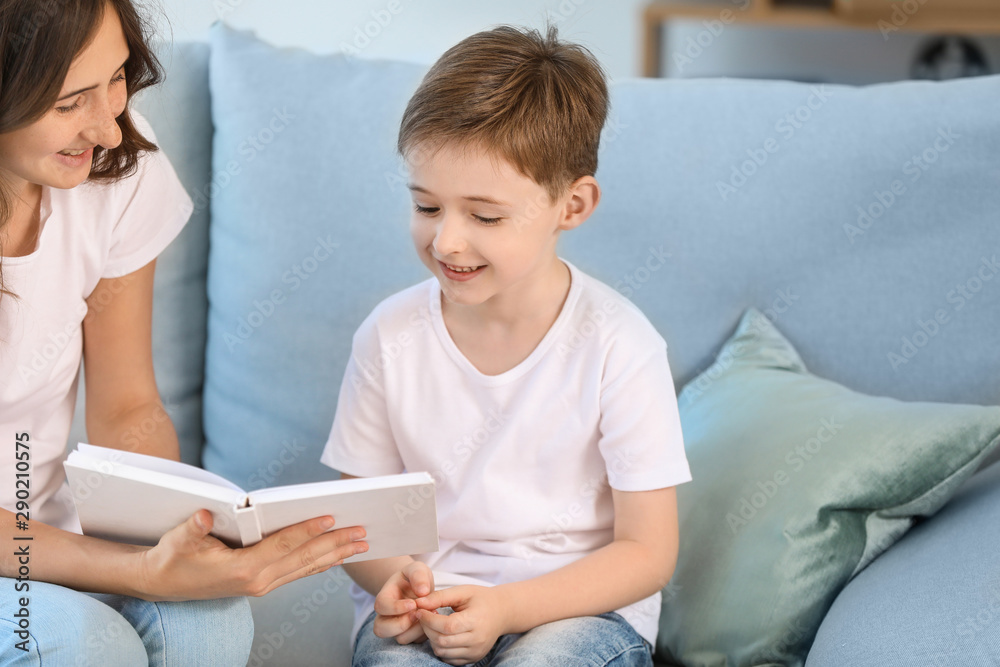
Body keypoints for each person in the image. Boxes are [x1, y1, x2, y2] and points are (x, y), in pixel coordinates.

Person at [0, 1, 368, 663]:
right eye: (70, 101)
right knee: (88, 646)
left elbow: (127, 405)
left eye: (115, 79)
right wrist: (137, 570)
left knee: (208, 622)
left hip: (42, 530)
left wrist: (183, 531)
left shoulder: (110, 167)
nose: (109, 129)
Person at [322, 24, 692, 667]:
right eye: (427, 207)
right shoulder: (388, 335)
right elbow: (363, 526)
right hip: (426, 618)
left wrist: (506, 609)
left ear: (571, 205)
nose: (447, 243)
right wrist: (397, 582)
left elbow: (648, 552)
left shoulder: (619, 344)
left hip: (577, 615)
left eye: (484, 216)